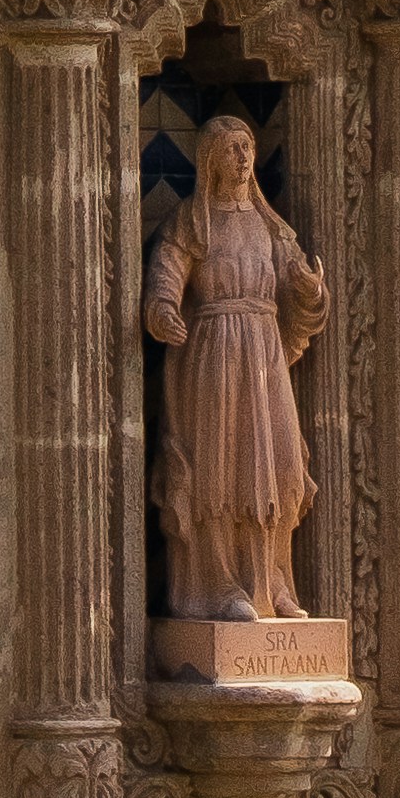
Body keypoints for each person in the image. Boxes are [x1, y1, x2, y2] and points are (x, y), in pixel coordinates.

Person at [141, 106, 326, 624]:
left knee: (279, 466)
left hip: (264, 355)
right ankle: (219, 586)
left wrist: (311, 292)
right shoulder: (192, 221)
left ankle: (274, 582)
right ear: (210, 160)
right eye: (231, 149)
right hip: (214, 354)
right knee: (219, 472)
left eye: (247, 146)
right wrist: (163, 308)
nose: (244, 157)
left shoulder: (271, 227)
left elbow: (299, 290)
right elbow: (167, 273)